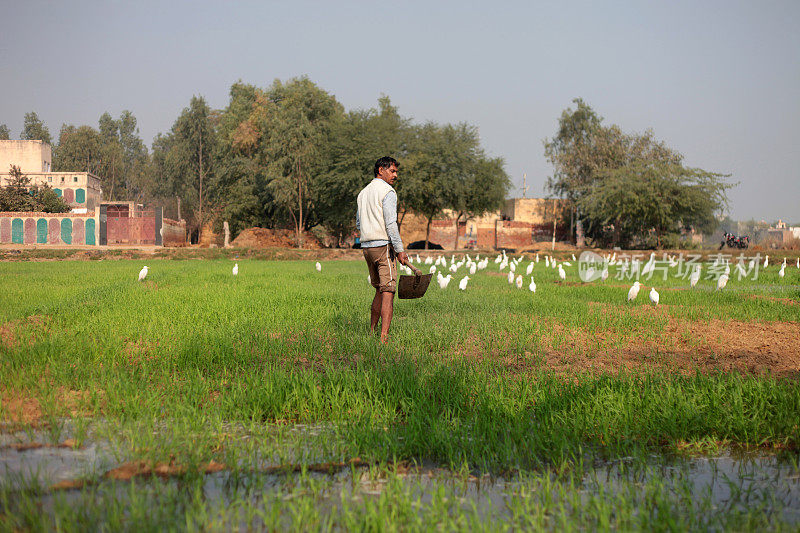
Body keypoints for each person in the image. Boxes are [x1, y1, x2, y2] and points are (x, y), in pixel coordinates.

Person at [356, 156, 413, 343]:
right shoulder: (388, 192)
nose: (395, 175)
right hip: (383, 247)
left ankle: (372, 331)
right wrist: (399, 250)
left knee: (379, 290)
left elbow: (358, 222)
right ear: (381, 170)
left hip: (366, 247)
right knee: (388, 291)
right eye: (392, 171)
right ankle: (383, 339)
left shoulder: (363, 193)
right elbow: (390, 223)